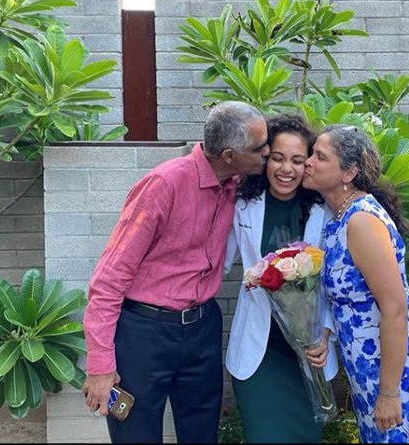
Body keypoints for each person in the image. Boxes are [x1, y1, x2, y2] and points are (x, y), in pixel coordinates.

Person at [81, 101, 270, 443]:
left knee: (202, 432)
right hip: (144, 334)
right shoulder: (163, 185)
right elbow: (108, 280)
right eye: (259, 148)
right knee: (136, 434)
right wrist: (100, 364)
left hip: (203, 329)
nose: (268, 154)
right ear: (229, 155)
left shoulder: (236, 185)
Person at [302, 125, 409, 443]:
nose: (308, 162)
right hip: (369, 365)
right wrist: (325, 333)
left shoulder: (361, 222)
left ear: (348, 172)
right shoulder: (337, 216)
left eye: (320, 157)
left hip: (395, 367)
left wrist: (390, 393)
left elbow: (394, 308)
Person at [223, 114, 339, 443]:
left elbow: (336, 284)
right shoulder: (242, 205)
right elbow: (217, 260)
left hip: (309, 352)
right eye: (277, 158)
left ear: (309, 164)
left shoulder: (325, 212)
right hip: (260, 354)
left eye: (297, 160)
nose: (286, 169)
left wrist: (326, 332)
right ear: (265, 158)